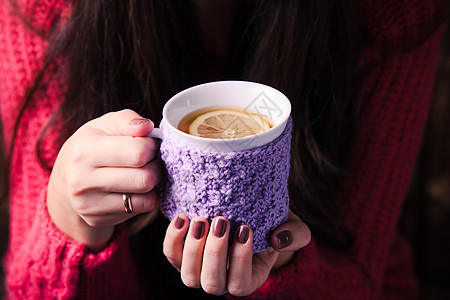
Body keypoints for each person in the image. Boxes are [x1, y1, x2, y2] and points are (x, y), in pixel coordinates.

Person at [0, 0, 447, 299]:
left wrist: (282, 261)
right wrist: (68, 213)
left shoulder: (391, 13)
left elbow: (360, 278)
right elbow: (29, 286)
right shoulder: (45, 9)